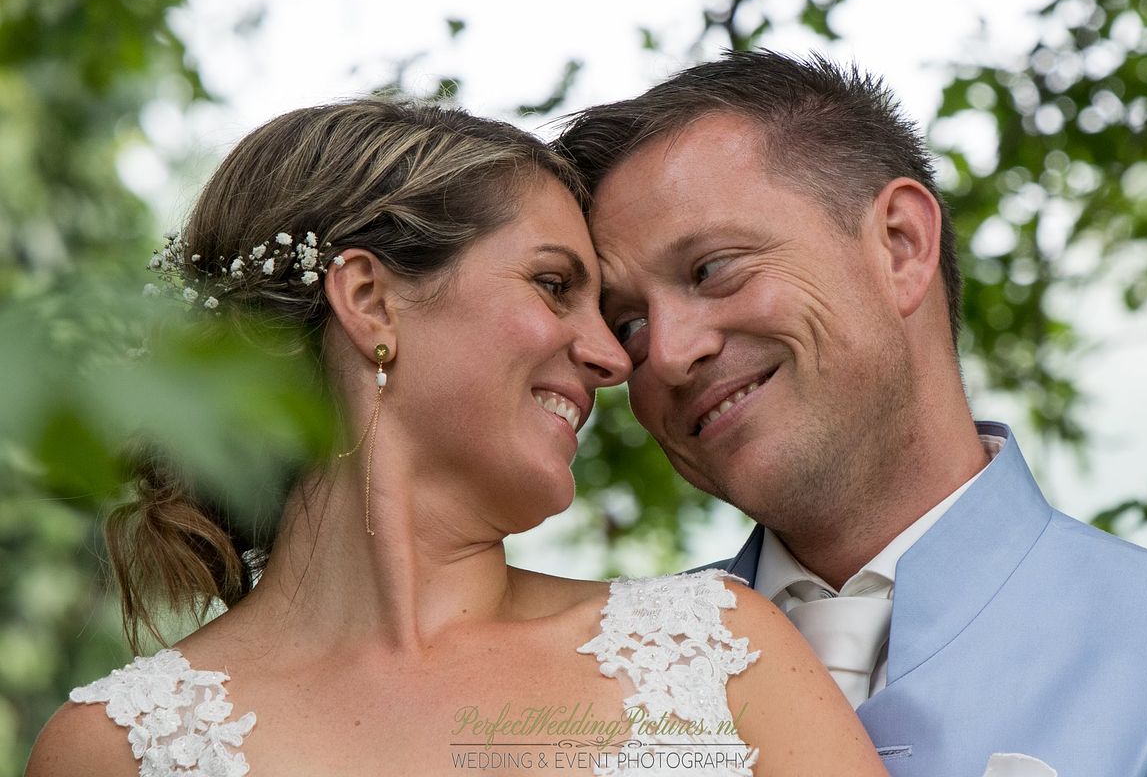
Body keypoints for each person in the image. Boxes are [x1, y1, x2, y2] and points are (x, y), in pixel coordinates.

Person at [25, 99, 887, 777]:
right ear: (371, 302)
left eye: (606, 316)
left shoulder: (715, 654)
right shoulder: (116, 749)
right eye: (554, 285)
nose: (610, 359)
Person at [553, 50, 1147, 776]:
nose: (669, 354)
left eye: (712, 268)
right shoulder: (577, 680)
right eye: (629, 324)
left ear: (900, 246)